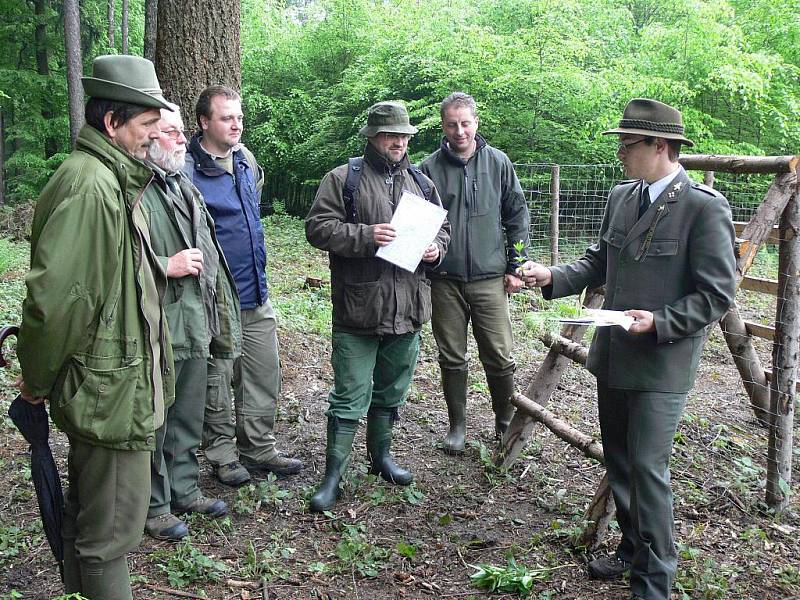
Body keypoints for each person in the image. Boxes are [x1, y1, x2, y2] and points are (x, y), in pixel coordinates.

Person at [521, 98, 736, 600]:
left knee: (646, 469)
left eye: (627, 143)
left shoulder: (703, 207)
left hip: (661, 362)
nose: (620, 151)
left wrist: (660, 321)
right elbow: (601, 261)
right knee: (620, 460)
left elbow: (717, 294)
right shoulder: (623, 196)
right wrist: (553, 275)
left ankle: (654, 581)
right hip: (614, 354)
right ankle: (632, 547)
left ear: (659, 146)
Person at [15, 55, 175, 599]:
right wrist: (34, 383)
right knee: (109, 541)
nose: (155, 139)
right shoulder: (91, 187)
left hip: (112, 390)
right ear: (112, 124)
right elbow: (56, 303)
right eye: (146, 128)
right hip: (110, 396)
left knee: (90, 529)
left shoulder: (110, 180)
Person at [305, 101, 450, 512]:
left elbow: (446, 230)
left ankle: (380, 458)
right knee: (350, 394)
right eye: (391, 136)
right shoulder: (343, 179)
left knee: (391, 391)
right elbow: (317, 228)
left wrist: (436, 251)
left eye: (404, 136)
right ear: (372, 137)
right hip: (358, 309)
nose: (399, 142)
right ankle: (333, 474)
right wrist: (368, 235)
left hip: (408, 309)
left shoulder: (422, 183)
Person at [183, 85, 301, 486]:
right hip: (214, 296)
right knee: (217, 377)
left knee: (263, 373)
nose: (236, 125)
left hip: (256, 290)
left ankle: (259, 447)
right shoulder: (185, 169)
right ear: (203, 122)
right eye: (226, 118)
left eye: (239, 117)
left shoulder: (246, 160)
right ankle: (222, 454)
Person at [142, 104, 242, 540]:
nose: (183, 140)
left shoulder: (181, 183)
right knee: (156, 419)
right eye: (172, 133)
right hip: (158, 326)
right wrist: (167, 264)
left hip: (194, 322)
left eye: (182, 132)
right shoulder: (136, 190)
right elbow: (117, 260)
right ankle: (154, 504)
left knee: (186, 415)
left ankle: (183, 489)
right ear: (148, 138)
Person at [420, 92, 531, 453]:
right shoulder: (427, 169)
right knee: (451, 356)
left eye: (465, 123)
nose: (459, 131)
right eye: (452, 124)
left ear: (476, 123)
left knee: (499, 356)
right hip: (444, 279)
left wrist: (517, 265)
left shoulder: (498, 163)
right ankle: (457, 426)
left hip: (490, 278)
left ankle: (503, 420)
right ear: (443, 126)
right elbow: (419, 223)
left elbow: (517, 216)